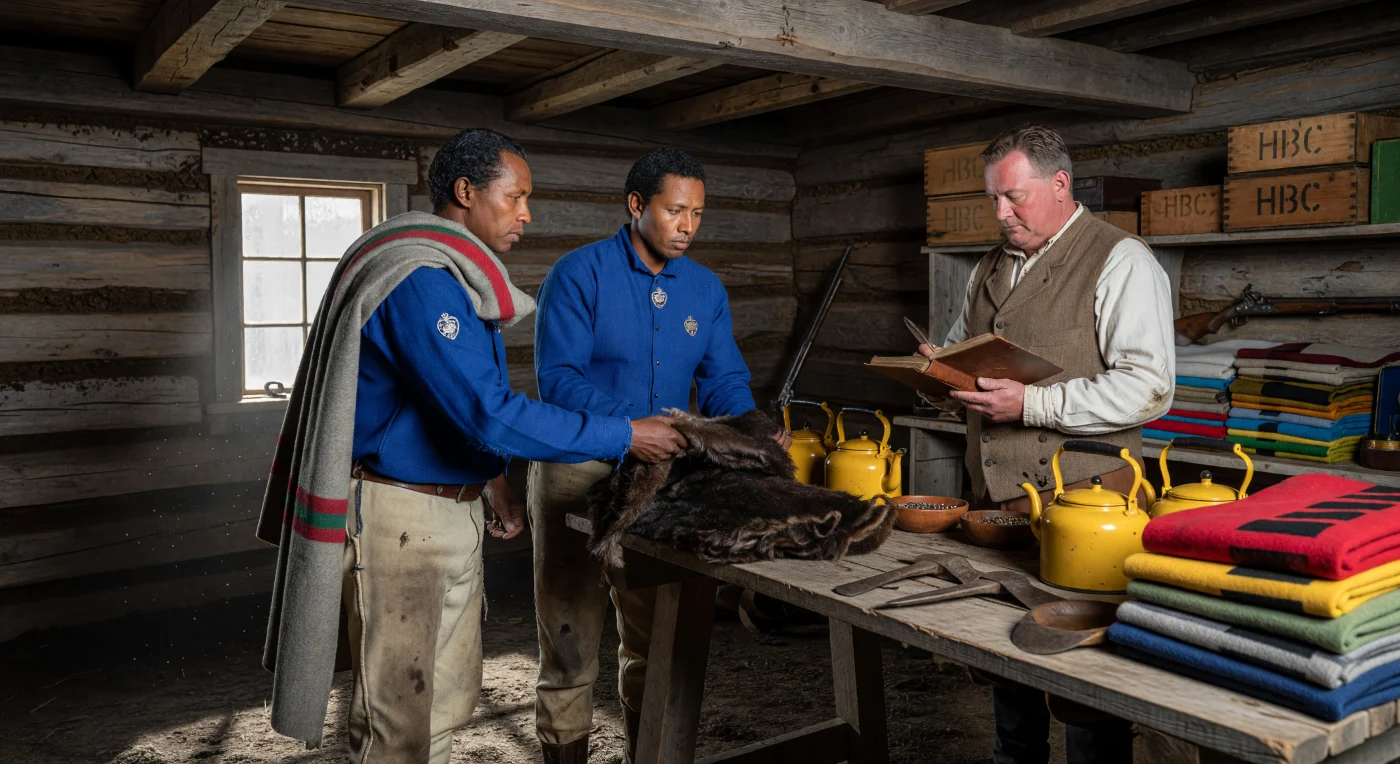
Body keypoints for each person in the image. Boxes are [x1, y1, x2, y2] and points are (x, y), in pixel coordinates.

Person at [256, 128, 687, 764]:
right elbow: (487, 410)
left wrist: (490, 478)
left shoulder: (456, 279)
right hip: (399, 520)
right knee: (395, 725)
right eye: (515, 196)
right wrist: (625, 433)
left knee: (442, 704)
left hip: (443, 513)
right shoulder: (422, 280)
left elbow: (445, 401)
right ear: (466, 192)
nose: (526, 213)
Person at [918, 124, 1174, 764]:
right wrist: (938, 371)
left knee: (1088, 690)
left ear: (1060, 184)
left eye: (1014, 197)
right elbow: (965, 358)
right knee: (1006, 660)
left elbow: (1149, 388)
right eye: (993, 200)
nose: (1001, 213)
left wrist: (1032, 403)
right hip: (997, 507)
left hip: (1088, 510)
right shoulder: (988, 267)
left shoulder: (1122, 260)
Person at [528, 147, 790, 764]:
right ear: (637, 205)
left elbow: (724, 382)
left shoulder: (705, 288)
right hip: (577, 466)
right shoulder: (578, 274)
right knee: (569, 635)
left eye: (698, 213)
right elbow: (558, 381)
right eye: (675, 210)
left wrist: (753, 427)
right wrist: (629, 426)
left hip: (660, 474)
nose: (688, 226)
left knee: (654, 632)